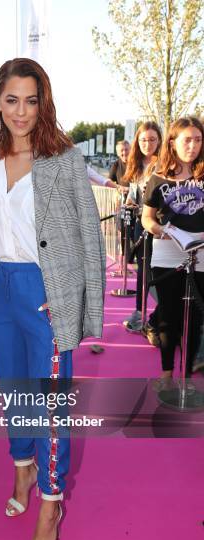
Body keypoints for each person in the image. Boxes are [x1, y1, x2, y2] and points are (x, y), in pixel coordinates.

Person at [0, 58, 105, 540]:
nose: (21, 111)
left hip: (43, 290)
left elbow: (89, 234)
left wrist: (80, 302)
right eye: (11, 99)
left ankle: (51, 502)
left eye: (31, 100)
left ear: (43, 102)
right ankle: (21, 466)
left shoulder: (63, 158)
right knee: (13, 391)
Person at [142, 116, 204, 385]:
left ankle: (186, 376)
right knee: (169, 315)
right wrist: (161, 230)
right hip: (167, 252)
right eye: (187, 140)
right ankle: (167, 374)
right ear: (173, 142)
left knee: (194, 318)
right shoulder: (158, 179)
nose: (193, 146)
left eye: (198, 140)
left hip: (201, 253)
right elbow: (147, 218)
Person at [122, 122, 162, 333]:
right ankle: (140, 312)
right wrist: (129, 202)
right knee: (142, 271)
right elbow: (132, 192)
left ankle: (161, 314)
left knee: (159, 271)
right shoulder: (136, 164)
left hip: (159, 226)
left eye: (152, 139)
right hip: (140, 224)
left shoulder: (164, 164)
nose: (148, 144)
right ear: (138, 142)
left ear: (160, 141)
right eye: (143, 140)